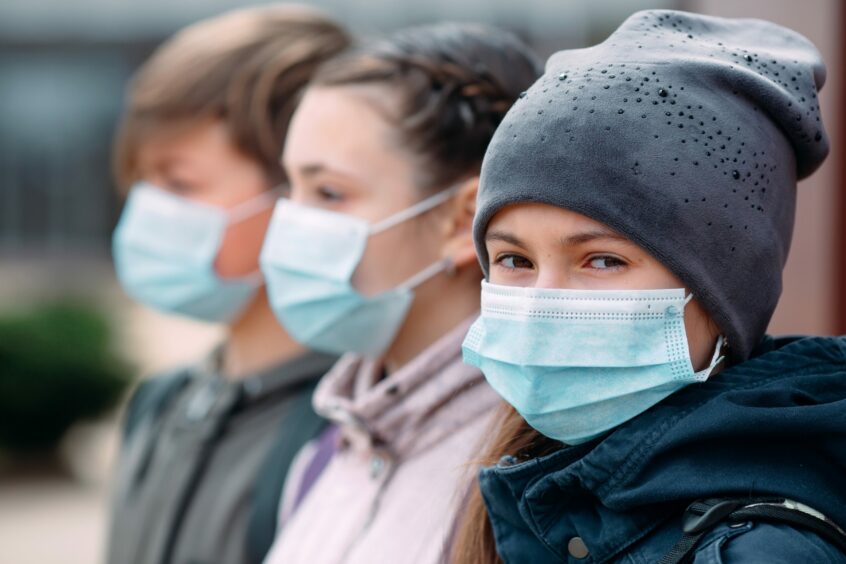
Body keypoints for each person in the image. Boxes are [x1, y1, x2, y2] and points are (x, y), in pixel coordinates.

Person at [451, 10, 846, 564]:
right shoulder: (539, 490)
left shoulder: (760, 552)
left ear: (722, 293)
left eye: (604, 260)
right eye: (514, 258)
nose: (542, 302)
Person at [258, 23, 541, 563]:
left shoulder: (523, 484)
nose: (291, 221)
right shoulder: (323, 455)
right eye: (290, 187)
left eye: (329, 192)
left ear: (462, 220)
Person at [107, 7, 350, 564]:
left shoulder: (346, 434)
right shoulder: (161, 405)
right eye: (141, 180)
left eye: (179, 182)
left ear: (302, 190)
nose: (148, 208)